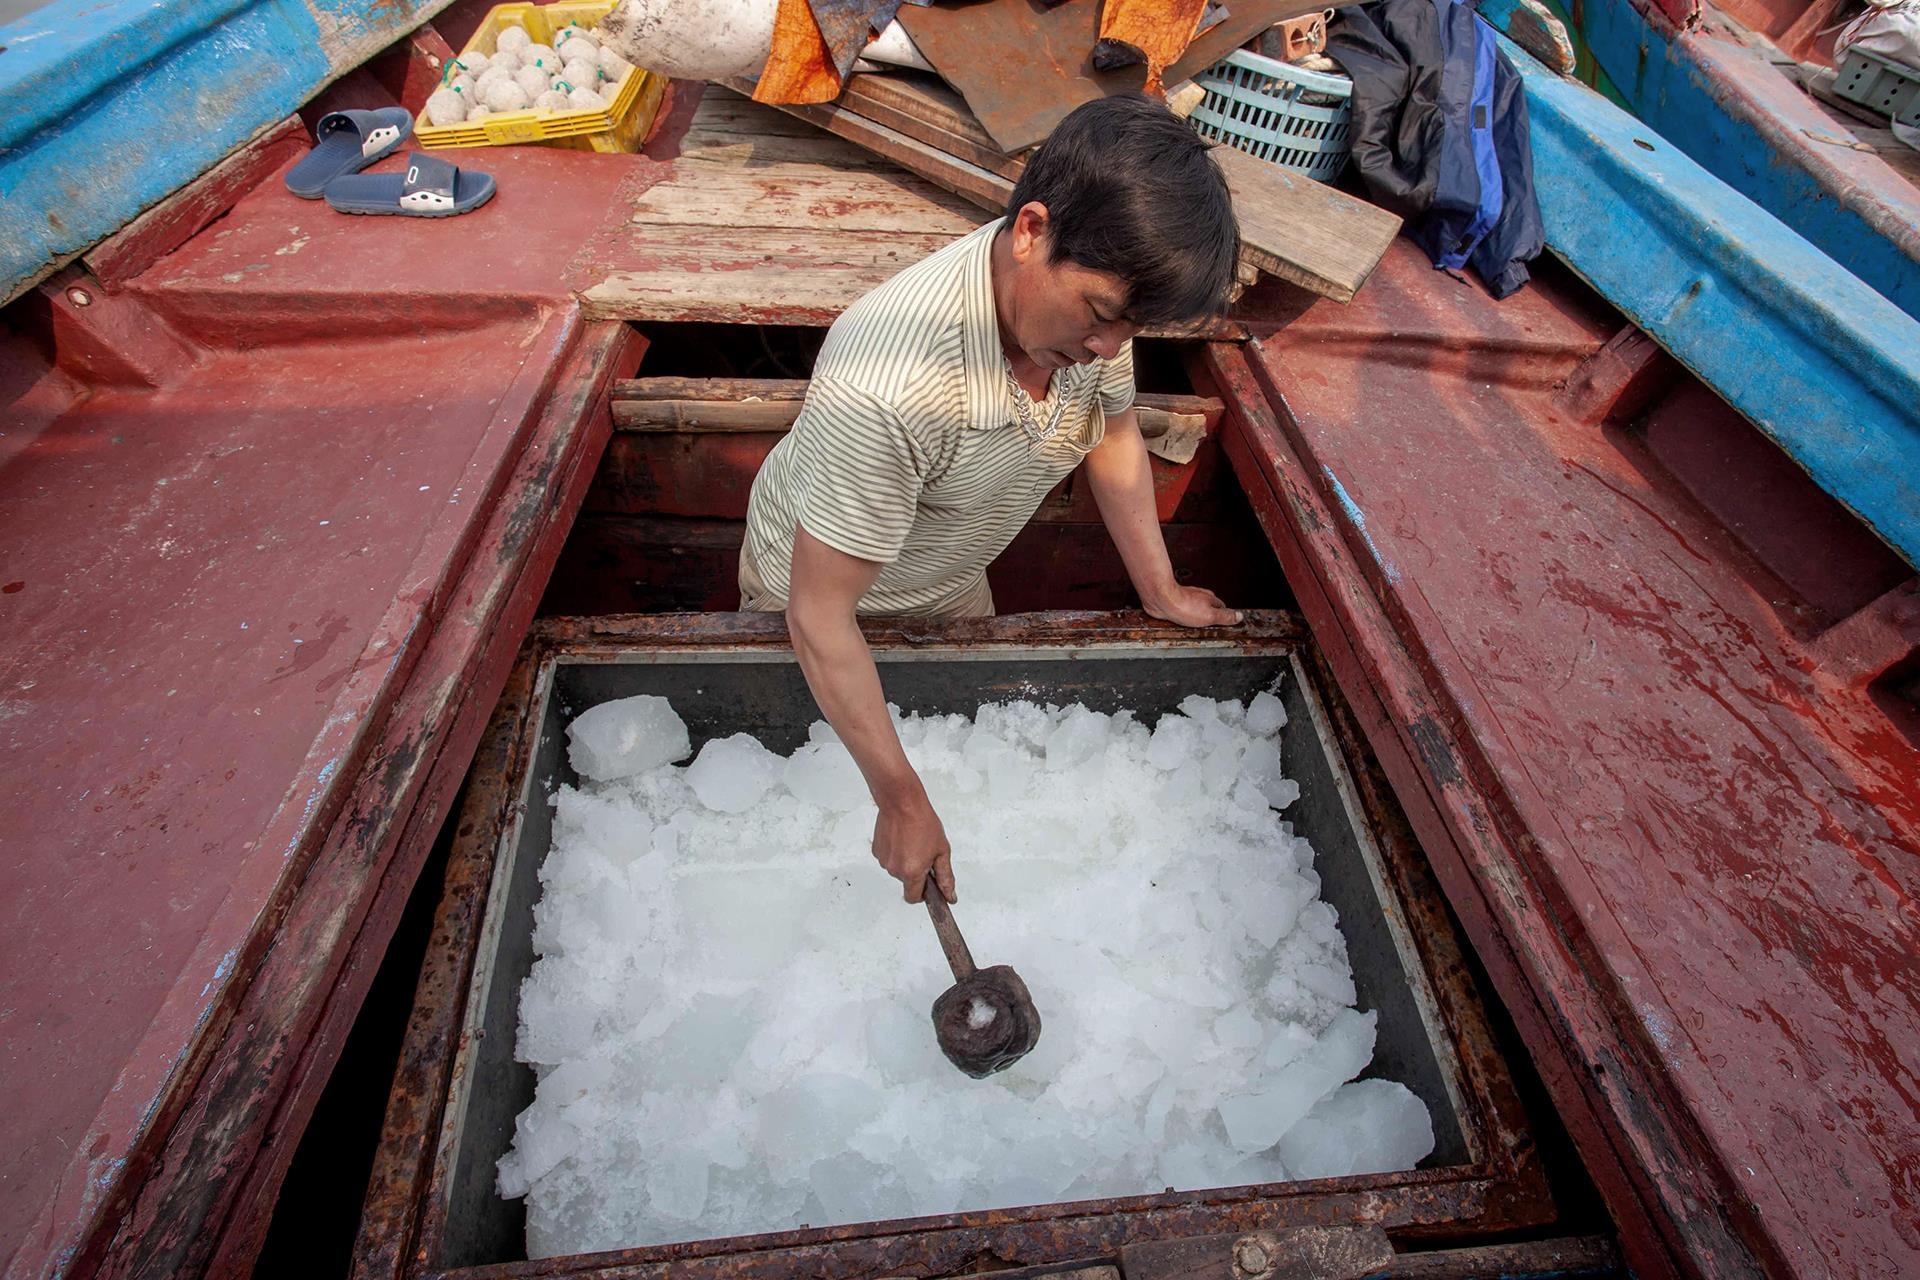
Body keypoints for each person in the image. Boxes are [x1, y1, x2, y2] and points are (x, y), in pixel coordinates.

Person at [738, 93, 1243, 906]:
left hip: (951, 578)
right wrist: (900, 799)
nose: (1110, 347)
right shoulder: (891, 382)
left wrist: (1160, 588)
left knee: (965, 765)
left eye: (1130, 327)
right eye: (1105, 316)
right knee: (825, 800)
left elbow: (1112, 432)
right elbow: (817, 616)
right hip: (818, 605)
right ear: (1031, 230)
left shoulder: (1085, 323)